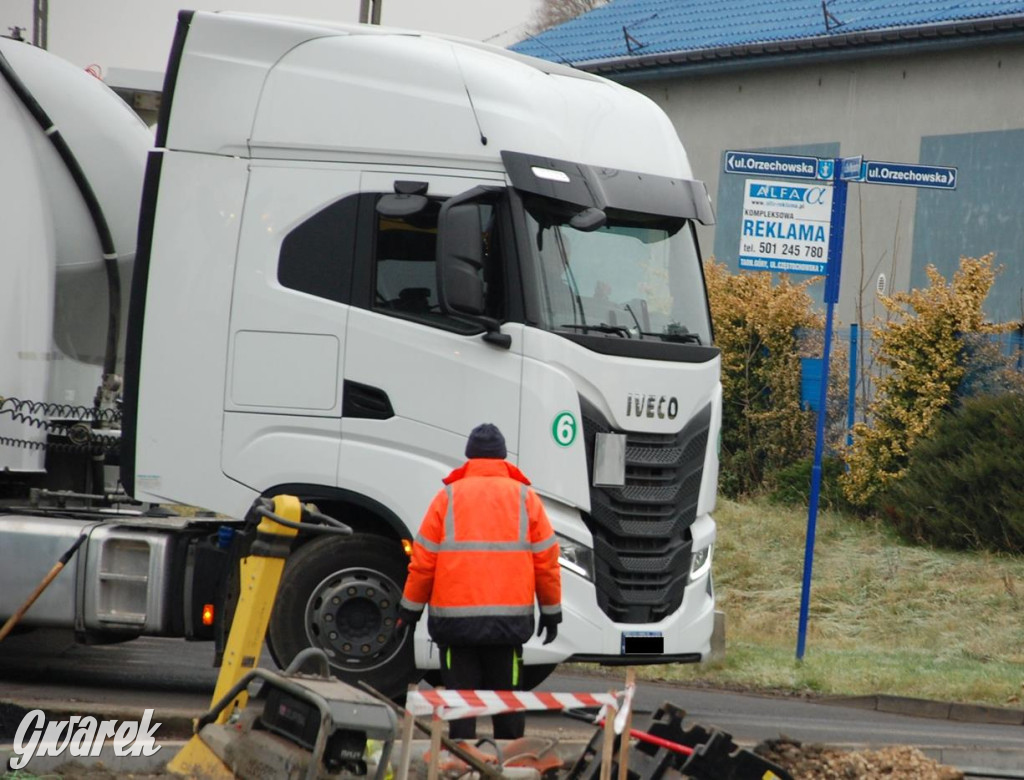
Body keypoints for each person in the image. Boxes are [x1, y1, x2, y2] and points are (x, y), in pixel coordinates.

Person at [397, 423, 562, 740]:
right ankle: (509, 765)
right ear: (502, 458)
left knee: (460, 703)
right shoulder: (526, 498)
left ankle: (460, 765)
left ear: (469, 457)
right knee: (506, 701)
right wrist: (551, 610)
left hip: (455, 626)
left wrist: (409, 610)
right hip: (508, 624)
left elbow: (423, 562)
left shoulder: (447, 498)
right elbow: (547, 561)